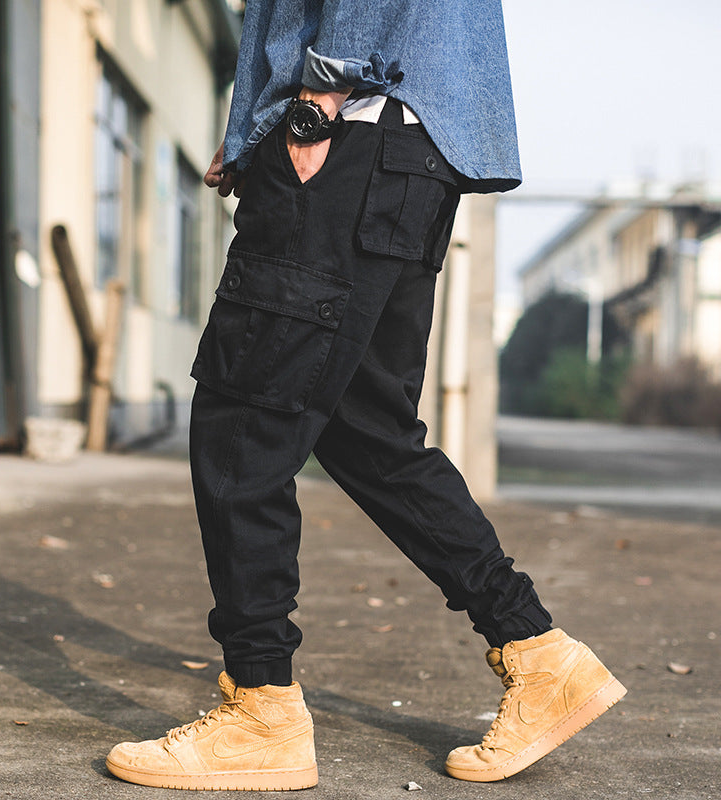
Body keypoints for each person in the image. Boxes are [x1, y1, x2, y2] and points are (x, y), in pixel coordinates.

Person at [106, 0, 626, 790]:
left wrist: (313, 104)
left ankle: (261, 713)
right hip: (407, 152)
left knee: (242, 426)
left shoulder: (331, 108)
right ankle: (539, 654)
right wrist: (255, 124)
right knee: (365, 428)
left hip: (349, 134)